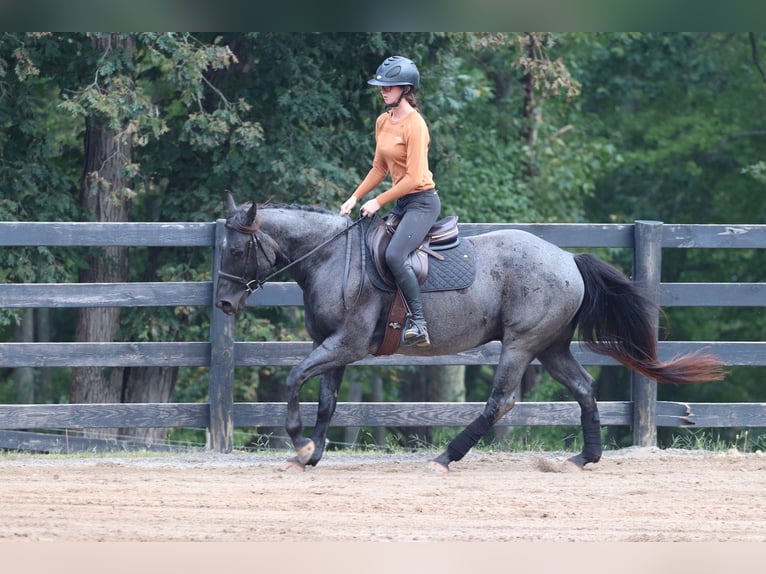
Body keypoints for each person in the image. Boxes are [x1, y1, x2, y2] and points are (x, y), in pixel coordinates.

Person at [340, 55, 441, 347]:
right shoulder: (383, 121)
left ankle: (419, 324)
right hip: (402, 203)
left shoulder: (416, 126)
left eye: (391, 86)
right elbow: (378, 168)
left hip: (422, 202)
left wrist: (377, 201)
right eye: (382, 86)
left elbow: (413, 177)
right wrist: (355, 196)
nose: (383, 91)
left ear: (406, 89)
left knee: (395, 255)